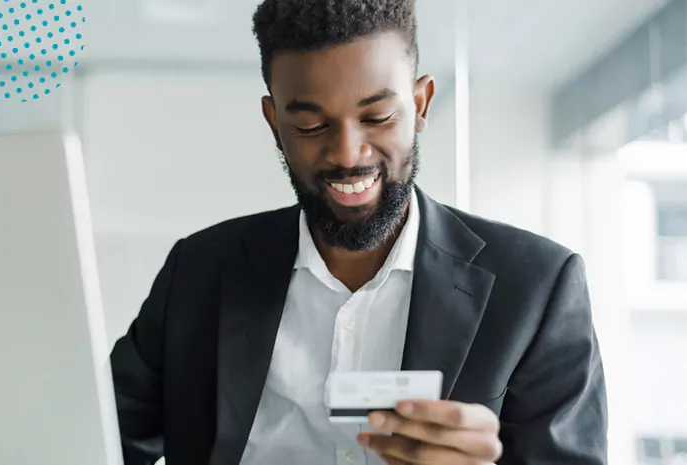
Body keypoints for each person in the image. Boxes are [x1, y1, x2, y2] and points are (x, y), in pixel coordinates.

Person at [110, 0, 608, 464]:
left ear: (421, 103)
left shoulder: (538, 287)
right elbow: (91, 436)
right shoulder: (199, 271)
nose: (348, 155)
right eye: (310, 127)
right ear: (274, 122)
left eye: (377, 117)